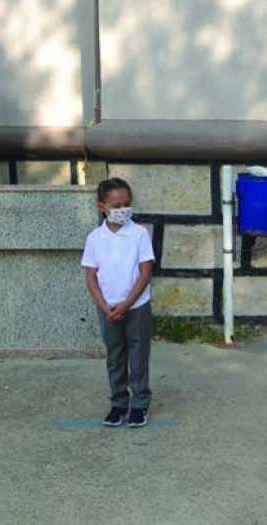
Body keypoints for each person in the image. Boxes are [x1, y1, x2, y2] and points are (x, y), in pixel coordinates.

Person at [81, 178, 155, 428]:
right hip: (107, 309)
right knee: (115, 357)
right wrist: (105, 306)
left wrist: (126, 304)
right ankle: (118, 403)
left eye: (127, 204)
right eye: (116, 205)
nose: (122, 209)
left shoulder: (139, 234)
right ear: (102, 206)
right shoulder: (95, 238)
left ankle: (140, 403)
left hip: (136, 307)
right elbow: (90, 276)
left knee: (138, 356)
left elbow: (145, 272)